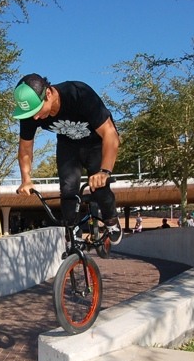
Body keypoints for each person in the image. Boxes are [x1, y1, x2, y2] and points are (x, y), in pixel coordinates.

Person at [12, 73, 122, 245]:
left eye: (37, 111)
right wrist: (26, 179)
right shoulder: (30, 114)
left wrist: (104, 171)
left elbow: (110, 133)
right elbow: (25, 148)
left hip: (96, 142)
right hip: (68, 145)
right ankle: (73, 230)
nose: (34, 117)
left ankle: (111, 220)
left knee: (100, 188)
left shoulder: (78, 93)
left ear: (48, 94)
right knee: (68, 190)